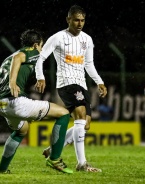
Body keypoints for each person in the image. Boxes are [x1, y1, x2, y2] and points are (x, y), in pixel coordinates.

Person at [35, 5, 107, 172]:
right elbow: (41, 57)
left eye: (82, 20)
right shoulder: (58, 37)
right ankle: (82, 164)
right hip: (66, 83)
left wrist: (99, 81)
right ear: (68, 20)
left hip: (81, 83)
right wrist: (40, 76)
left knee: (85, 124)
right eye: (76, 20)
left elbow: (89, 64)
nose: (79, 23)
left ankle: (53, 149)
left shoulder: (87, 40)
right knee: (80, 116)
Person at [0, 29, 73, 174]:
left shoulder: (9, 57)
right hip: (15, 102)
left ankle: (2, 169)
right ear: (36, 44)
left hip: (0, 103)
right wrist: (13, 82)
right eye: (41, 46)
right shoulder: (30, 51)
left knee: (21, 130)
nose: (41, 49)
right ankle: (54, 158)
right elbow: (19, 58)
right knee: (63, 113)